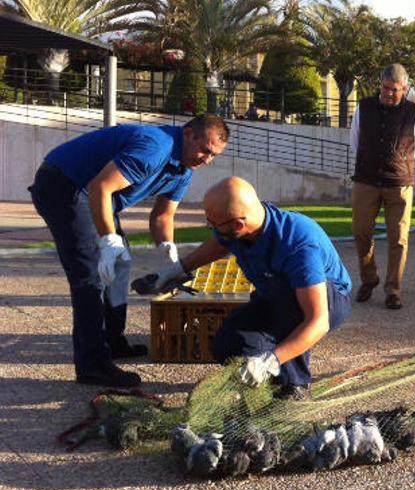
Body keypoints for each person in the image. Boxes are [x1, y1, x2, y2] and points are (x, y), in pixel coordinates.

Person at [29, 114, 229, 387]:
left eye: (214, 155)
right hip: (65, 184)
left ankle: (113, 340)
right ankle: (93, 365)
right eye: (205, 149)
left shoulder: (183, 170)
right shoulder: (155, 147)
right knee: (91, 275)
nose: (207, 159)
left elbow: (162, 217)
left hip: (96, 194)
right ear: (188, 134)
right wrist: (108, 240)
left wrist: (168, 253)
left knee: (120, 264)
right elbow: (100, 186)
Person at [141, 177, 352, 400]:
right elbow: (218, 245)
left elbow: (318, 322)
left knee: (283, 291)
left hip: (327, 301)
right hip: (273, 297)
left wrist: (271, 360)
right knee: (228, 345)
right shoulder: (241, 228)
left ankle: (296, 385)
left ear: (239, 225)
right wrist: (177, 269)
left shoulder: (297, 243)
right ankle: (269, 368)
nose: (212, 229)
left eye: (214, 225)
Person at [349, 63, 415, 310]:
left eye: (395, 89)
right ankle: (369, 279)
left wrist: (398, 164)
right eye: (385, 88)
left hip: (399, 184)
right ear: (379, 85)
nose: (389, 93)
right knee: (361, 232)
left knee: (399, 239)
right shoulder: (363, 108)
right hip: (366, 180)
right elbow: (355, 141)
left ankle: (393, 289)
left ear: (405, 89)